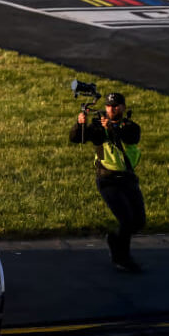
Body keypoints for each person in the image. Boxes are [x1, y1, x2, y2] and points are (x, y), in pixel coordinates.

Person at [69, 92, 146, 272]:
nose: (113, 109)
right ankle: (123, 258)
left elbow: (129, 137)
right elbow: (77, 138)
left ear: (123, 107)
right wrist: (80, 124)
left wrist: (111, 127)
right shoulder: (98, 127)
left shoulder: (130, 126)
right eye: (110, 106)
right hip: (107, 180)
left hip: (127, 179)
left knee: (139, 221)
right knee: (126, 220)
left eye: (117, 105)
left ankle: (114, 239)